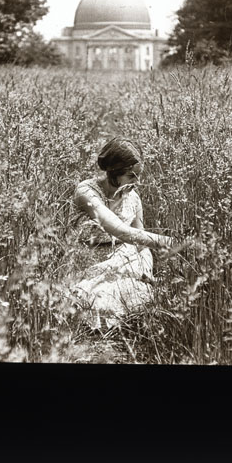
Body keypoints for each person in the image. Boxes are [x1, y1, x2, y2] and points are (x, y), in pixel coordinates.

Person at [69, 137, 173, 330]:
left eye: (139, 175)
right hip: (89, 259)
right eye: (131, 176)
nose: (137, 182)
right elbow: (121, 231)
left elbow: (141, 242)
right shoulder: (86, 192)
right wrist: (171, 242)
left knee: (140, 295)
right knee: (98, 301)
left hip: (123, 256)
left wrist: (146, 269)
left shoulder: (133, 198)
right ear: (113, 172)